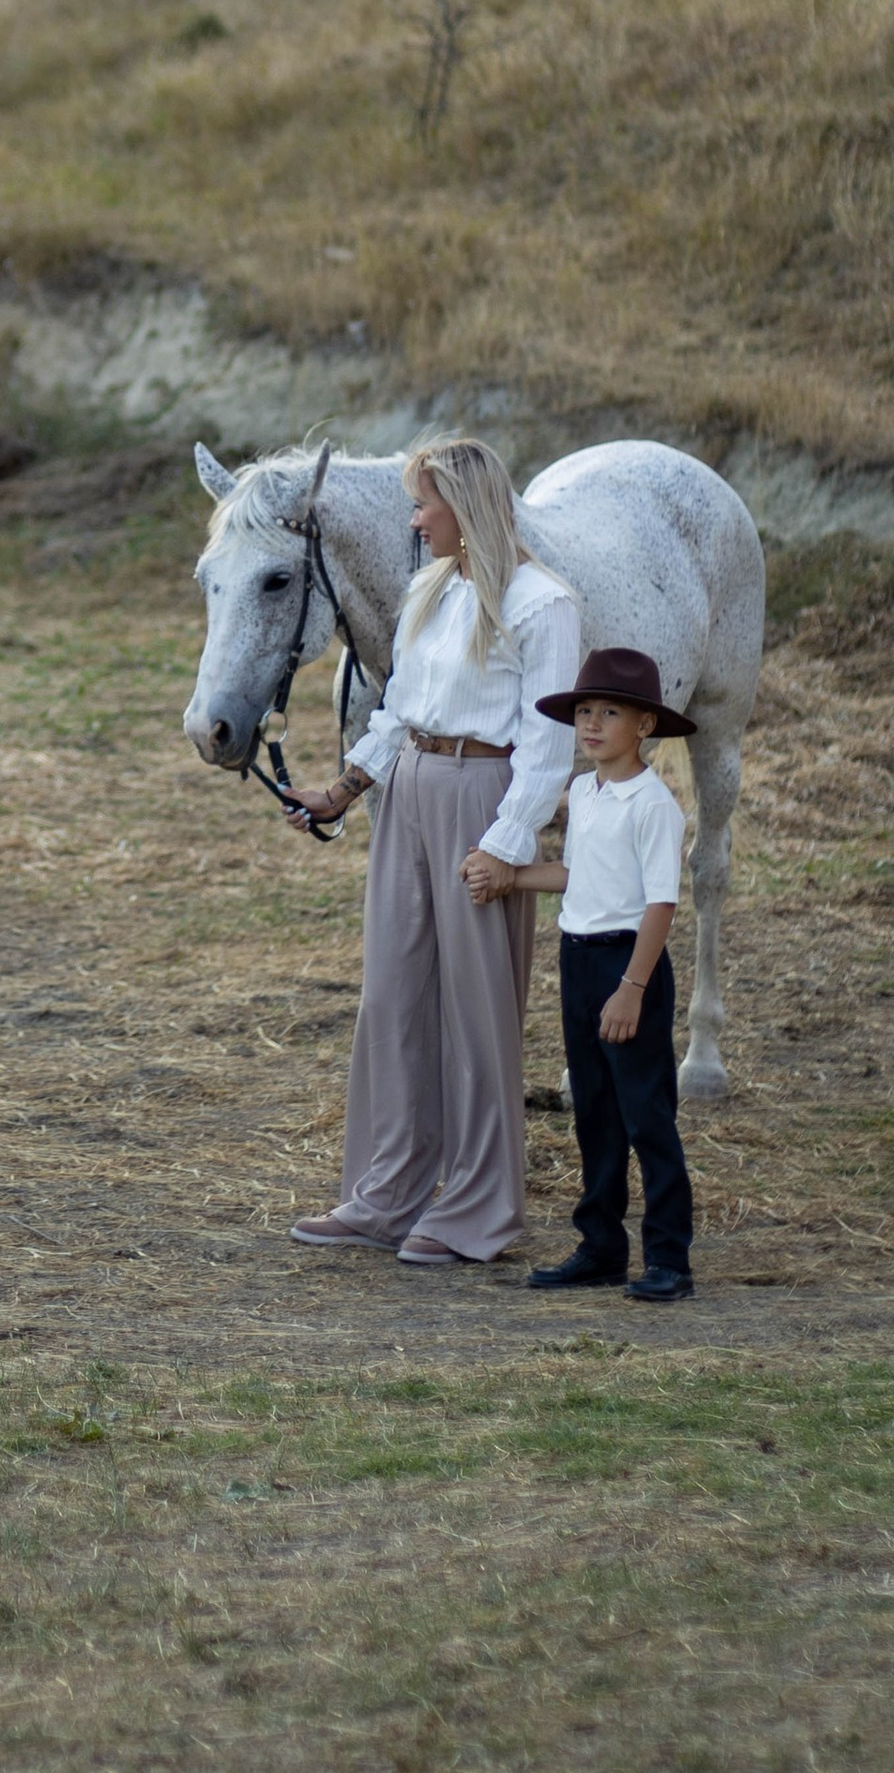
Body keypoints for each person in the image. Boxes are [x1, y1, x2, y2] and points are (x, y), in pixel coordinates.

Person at [283, 435, 580, 1266]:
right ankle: (389, 1190)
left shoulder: (541, 604)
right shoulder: (429, 589)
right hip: (409, 790)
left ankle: (479, 1206)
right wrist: (342, 792)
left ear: (465, 507)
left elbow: (549, 745)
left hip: (480, 800)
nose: (414, 522)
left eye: (423, 505)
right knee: (395, 994)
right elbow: (397, 712)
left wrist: (507, 845)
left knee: (477, 1010)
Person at [465, 645, 695, 1303]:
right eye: (584, 711)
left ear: (645, 725)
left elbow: (660, 902)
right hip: (579, 957)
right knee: (593, 1110)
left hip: (630, 962)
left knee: (645, 1113)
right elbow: (579, 876)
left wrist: (632, 987)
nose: (591, 724)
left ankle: (669, 1259)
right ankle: (600, 1247)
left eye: (610, 713)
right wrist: (509, 877)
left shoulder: (652, 805)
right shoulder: (585, 791)